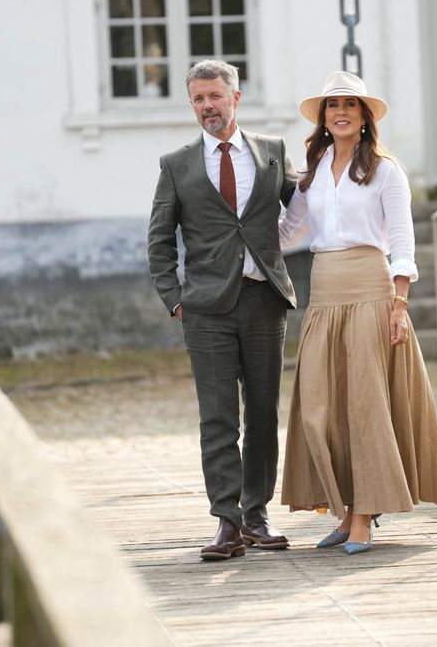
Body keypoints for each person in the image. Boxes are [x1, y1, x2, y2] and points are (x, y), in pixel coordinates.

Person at [279, 71, 437, 555]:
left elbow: (402, 240)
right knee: (322, 407)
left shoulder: (384, 170)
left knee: (363, 406)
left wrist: (400, 304)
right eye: (332, 105)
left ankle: (361, 516)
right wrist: (230, 238)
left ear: (363, 118)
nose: (339, 112)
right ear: (323, 117)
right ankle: (343, 509)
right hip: (324, 293)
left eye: (349, 105)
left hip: (371, 289)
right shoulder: (311, 170)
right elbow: (286, 231)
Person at [147, 59, 297, 561]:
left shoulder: (273, 153)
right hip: (206, 311)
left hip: (263, 303)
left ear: (236, 97)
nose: (207, 106)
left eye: (214, 96)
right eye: (197, 99)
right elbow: (159, 242)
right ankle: (227, 523)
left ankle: (257, 515)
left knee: (262, 413)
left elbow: (311, 206)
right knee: (217, 419)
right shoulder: (176, 164)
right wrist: (174, 301)